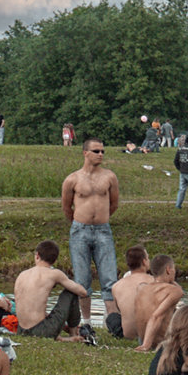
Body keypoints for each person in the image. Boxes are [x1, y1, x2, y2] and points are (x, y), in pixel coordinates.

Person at [60, 137, 120, 323]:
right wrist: (79, 222)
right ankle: (86, 321)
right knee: (82, 279)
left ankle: (111, 320)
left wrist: (101, 219)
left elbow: (114, 203)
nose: (100, 154)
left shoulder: (109, 177)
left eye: (102, 151)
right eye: (96, 151)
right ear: (85, 153)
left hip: (103, 230)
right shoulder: (72, 179)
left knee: (109, 278)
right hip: (80, 231)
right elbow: (66, 207)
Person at [13, 240, 88, 340]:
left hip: (21, 330)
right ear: (54, 260)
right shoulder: (54, 273)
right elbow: (83, 292)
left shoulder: (22, 275)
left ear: (37, 255)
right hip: (41, 330)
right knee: (71, 292)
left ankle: (63, 338)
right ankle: (73, 334)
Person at [133, 254, 182, 351]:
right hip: (163, 342)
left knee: (175, 311)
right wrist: (146, 345)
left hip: (142, 339)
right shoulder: (174, 291)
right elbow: (156, 316)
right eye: (174, 269)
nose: (175, 272)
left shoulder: (141, 288)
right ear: (168, 269)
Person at [104, 245, 151, 340]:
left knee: (112, 316)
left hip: (127, 334)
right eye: (148, 258)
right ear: (144, 262)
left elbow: (119, 311)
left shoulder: (116, 286)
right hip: (150, 331)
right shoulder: (154, 281)